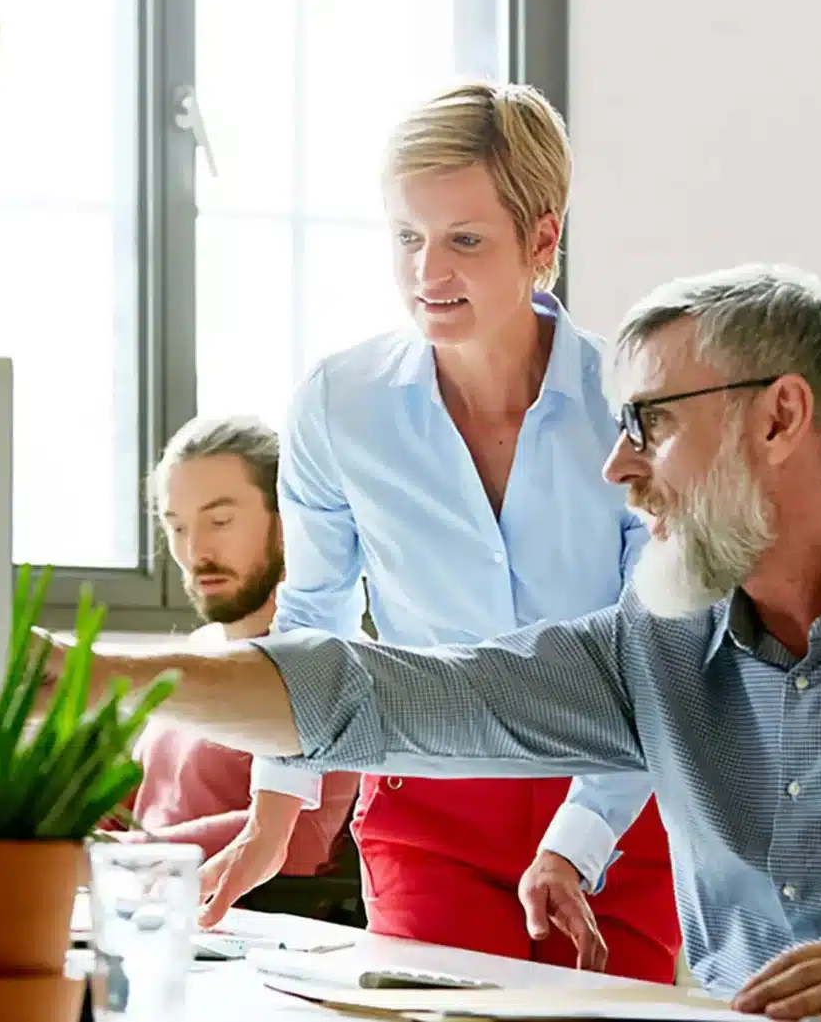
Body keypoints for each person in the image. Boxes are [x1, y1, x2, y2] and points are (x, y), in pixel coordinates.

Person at [56, 265, 821, 1022]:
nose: (617, 465)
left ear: (779, 418)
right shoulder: (658, 650)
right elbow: (386, 697)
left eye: (650, 424)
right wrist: (98, 674)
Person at [201, 81, 681, 982]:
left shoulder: (635, 408)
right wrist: (276, 812)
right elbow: (315, 609)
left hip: (617, 798)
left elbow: (659, 646)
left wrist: (576, 841)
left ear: (541, 239)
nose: (429, 273)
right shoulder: (340, 405)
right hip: (425, 796)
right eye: (408, 238)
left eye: (464, 240)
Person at [113, 416, 361, 900]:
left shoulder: (329, 663)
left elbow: (307, 836)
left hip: (242, 920)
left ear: (288, 523)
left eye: (220, 521)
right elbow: (128, 800)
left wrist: (131, 857)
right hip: (145, 909)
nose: (195, 550)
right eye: (177, 527)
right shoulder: (195, 652)